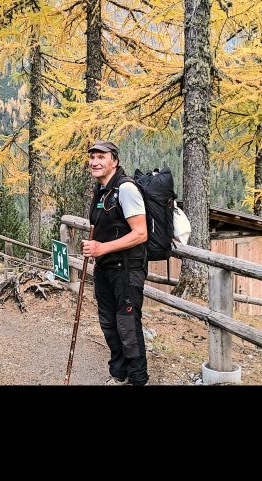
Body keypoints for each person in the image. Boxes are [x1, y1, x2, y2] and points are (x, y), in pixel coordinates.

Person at [81, 140, 149, 386]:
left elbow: (141, 233)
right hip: (106, 268)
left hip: (127, 270)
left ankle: (138, 380)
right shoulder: (101, 190)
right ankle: (119, 373)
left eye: (101, 157)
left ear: (114, 161)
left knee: (127, 325)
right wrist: (95, 249)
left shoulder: (126, 189)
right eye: (92, 157)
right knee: (109, 323)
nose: (95, 162)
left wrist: (102, 248)